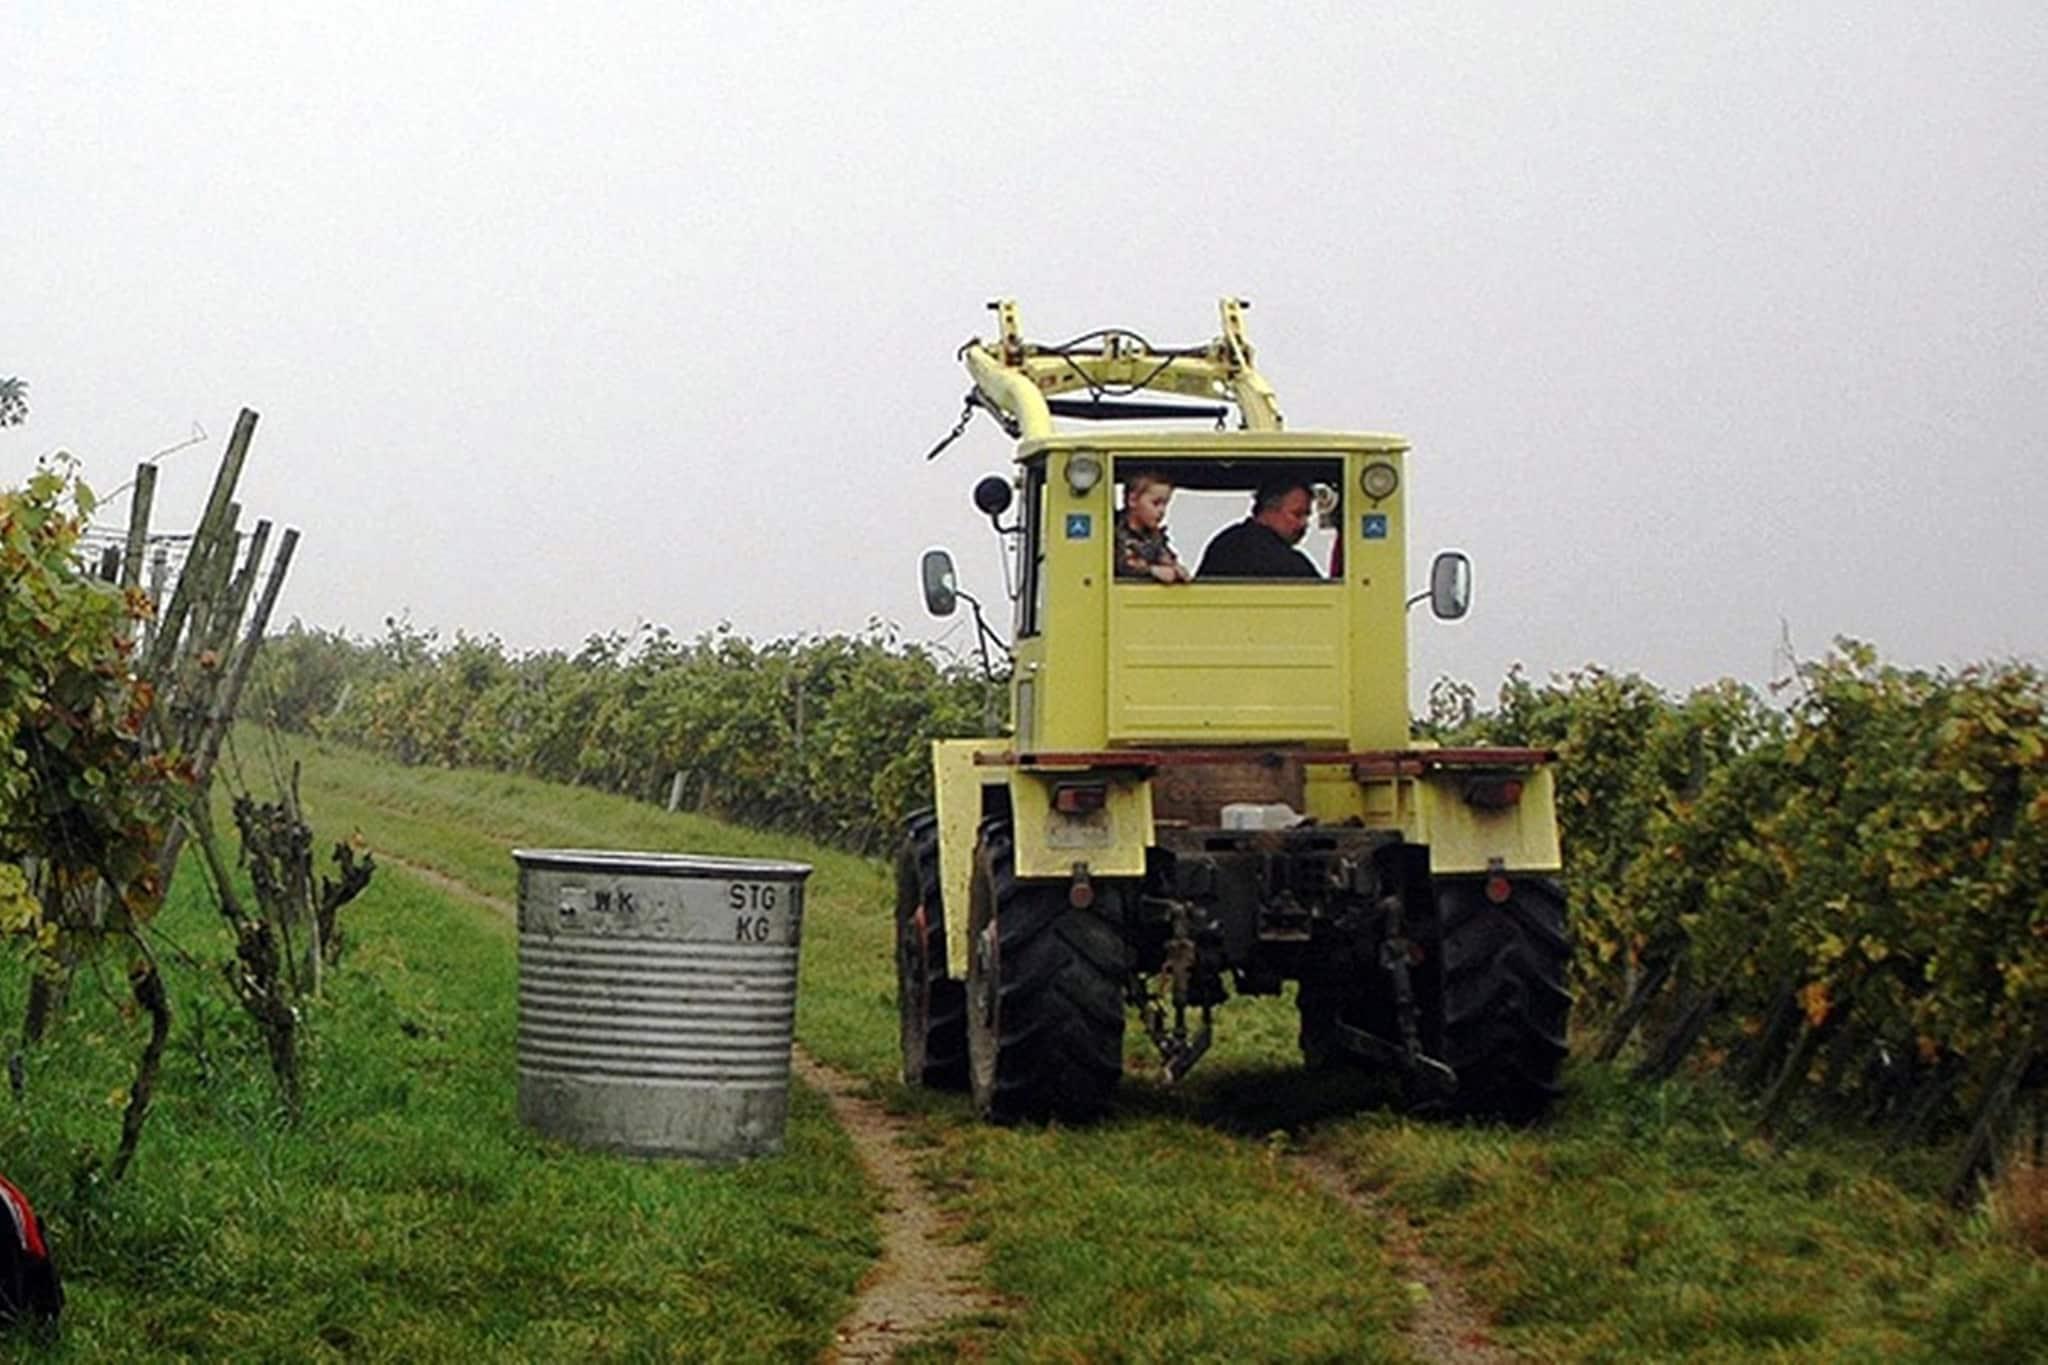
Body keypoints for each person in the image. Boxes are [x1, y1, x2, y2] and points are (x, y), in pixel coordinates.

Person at [1195, 476, 1321, 579]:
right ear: (1270, 508)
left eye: (1307, 515)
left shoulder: (1223, 544)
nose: (1304, 523)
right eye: (1297, 514)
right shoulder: (1287, 563)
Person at [1114, 471, 1192, 583]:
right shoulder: (1115, 531)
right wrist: (1153, 571)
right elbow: (1123, 564)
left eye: (1165, 504)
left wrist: (1176, 568)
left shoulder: (1154, 536)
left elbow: (1164, 556)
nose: (1162, 511)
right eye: (1156, 503)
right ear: (1133, 500)